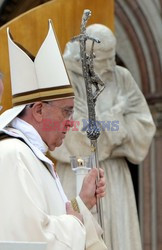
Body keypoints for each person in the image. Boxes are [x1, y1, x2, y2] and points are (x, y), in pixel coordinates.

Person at [0, 21, 107, 250]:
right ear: (39, 110)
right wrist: (76, 222)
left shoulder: (30, 153)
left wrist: (82, 204)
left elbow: (49, 220)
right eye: (66, 111)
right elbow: (29, 241)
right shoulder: (14, 155)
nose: (71, 122)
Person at [51, 24, 156, 250]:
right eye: (103, 60)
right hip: (76, 172)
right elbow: (74, 135)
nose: (109, 66)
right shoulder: (65, 77)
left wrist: (102, 132)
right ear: (86, 55)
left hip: (115, 178)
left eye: (112, 58)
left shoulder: (122, 77)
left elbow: (143, 128)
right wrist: (116, 117)